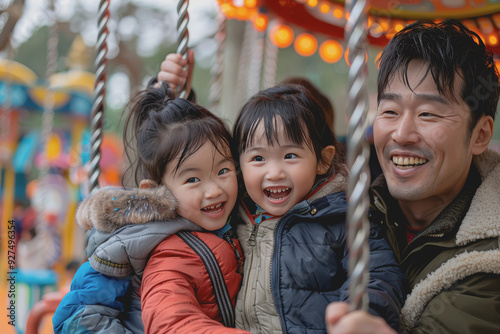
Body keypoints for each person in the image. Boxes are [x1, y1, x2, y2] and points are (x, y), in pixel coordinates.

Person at [326, 19, 500, 334]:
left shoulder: (490, 257)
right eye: (390, 111)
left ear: (480, 134)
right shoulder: (338, 208)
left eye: (428, 114)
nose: (402, 134)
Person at [53, 83, 251, 334]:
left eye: (223, 171)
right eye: (192, 180)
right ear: (156, 190)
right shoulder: (137, 243)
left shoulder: (218, 219)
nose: (214, 191)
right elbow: (79, 317)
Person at [231, 83, 406, 333]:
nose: (275, 172)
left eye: (290, 155)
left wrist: (361, 314)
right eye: (258, 158)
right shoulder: (231, 217)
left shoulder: (343, 219)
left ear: (323, 160)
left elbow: (377, 275)